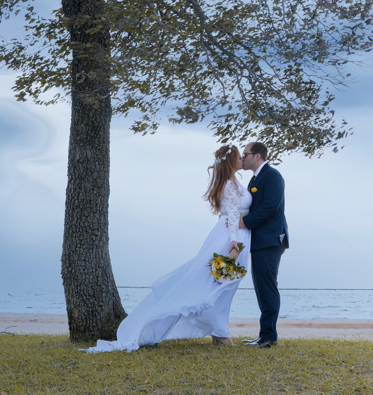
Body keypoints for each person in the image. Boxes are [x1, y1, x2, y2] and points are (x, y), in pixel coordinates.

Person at [86, 145, 251, 352]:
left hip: (232, 233)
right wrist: (234, 242)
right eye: (239, 157)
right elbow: (233, 214)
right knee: (220, 284)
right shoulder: (230, 184)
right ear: (232, 161)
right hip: (231, 236)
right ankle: (220, 332)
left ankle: (219, 331)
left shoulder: (234, 182)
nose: (242, 160)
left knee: (222, 284)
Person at [240, 141, 288, 348]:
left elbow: (271, 205)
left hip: (270, 239)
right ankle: (264, 335)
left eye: (245, 154)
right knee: (261, 287)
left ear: (257, 155)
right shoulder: (255, 178)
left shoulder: (272, 175)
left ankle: (269, 337)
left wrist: (245, 222)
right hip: (258, 240)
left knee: (267, 288)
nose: (242, 158)